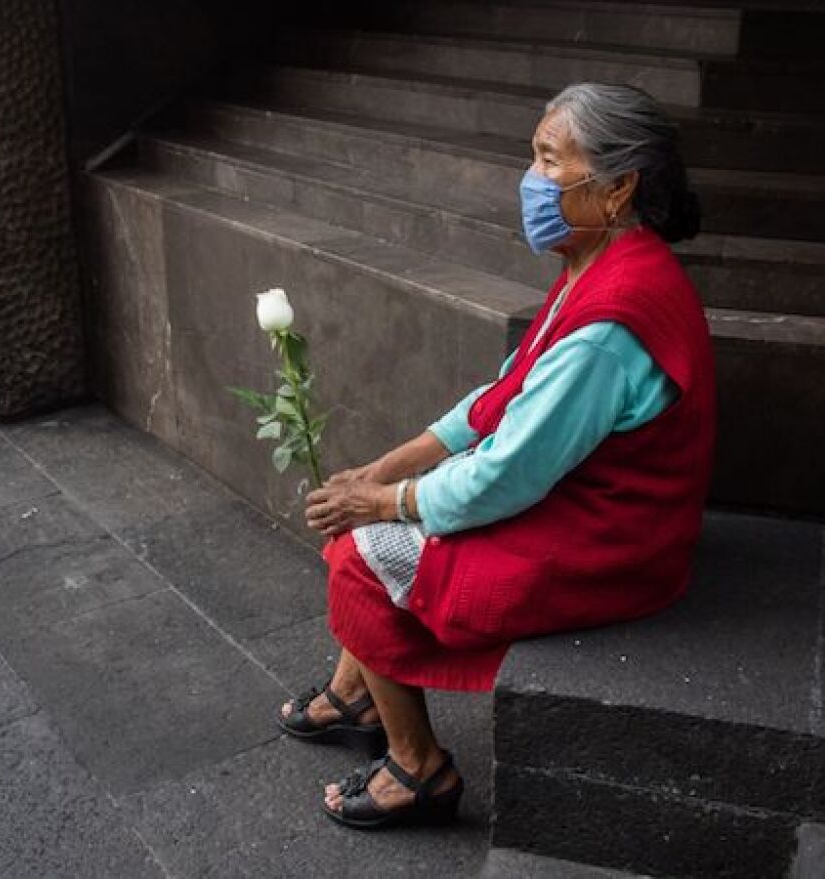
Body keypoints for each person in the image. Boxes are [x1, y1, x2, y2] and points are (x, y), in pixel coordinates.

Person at [278, 82, 716, 829]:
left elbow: (510, 472)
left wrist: (382, 502)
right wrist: (388, 467)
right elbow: (499, 397)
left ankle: (420, 767)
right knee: (362, 521)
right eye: (533, 156)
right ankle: (358, 693)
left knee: (358, 552)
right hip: (592, 502)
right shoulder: (602, 263)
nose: (531, 181)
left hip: (611, 542)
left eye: (550, 160)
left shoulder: (611, 324)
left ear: (617, 188)